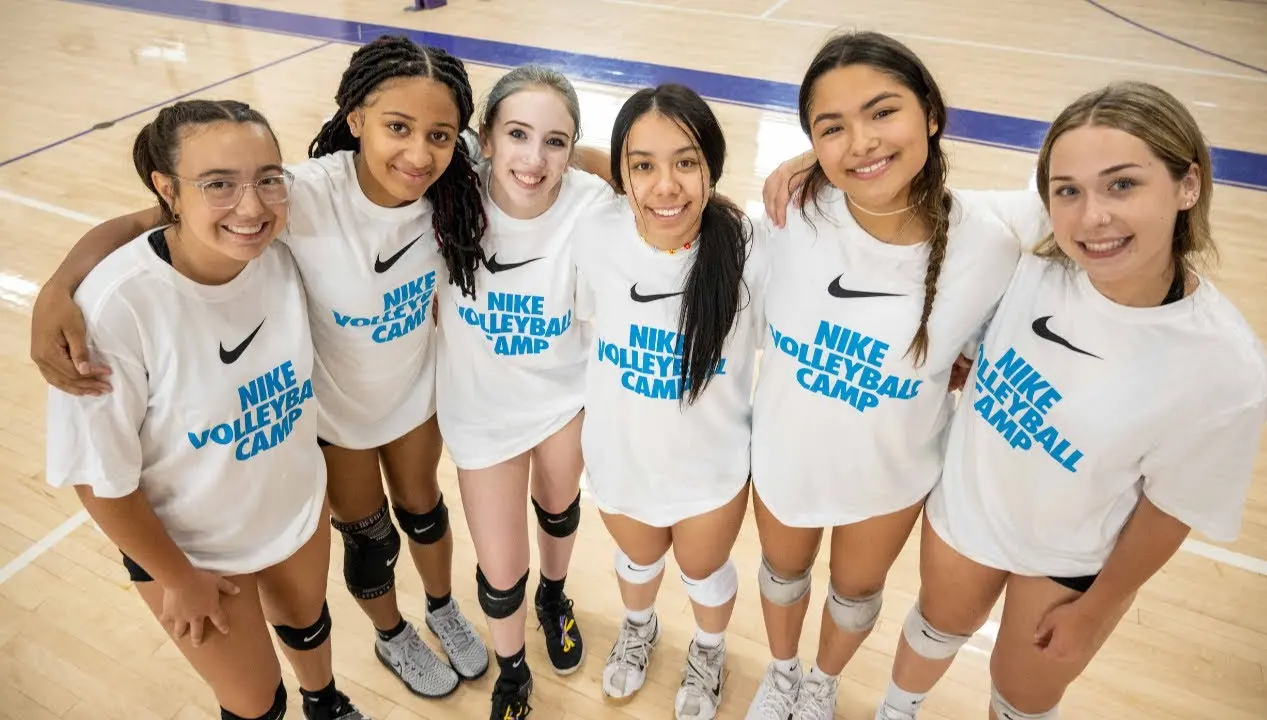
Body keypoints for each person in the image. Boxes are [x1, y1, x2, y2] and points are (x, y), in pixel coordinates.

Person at [30, 35, 491, 699]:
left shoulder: (455, 180)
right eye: (397, 127)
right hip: (336, 415)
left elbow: (558, 159)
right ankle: (392, 633)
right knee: (370, 540)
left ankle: (442, 607)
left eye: (438, 135)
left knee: (424, 511)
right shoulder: (298, 195)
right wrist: (58, 287)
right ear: (356, 119)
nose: (419, 153)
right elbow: (151, 220)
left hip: (415, 395)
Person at [874, 81, 1267, 720]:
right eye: (1068, 190)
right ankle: (897, 709)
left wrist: (1097, 610)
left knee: (1023, 692)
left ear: (1188, 185)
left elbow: (1171, 509)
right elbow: (896, 195)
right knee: (935, 626)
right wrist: (816, 162)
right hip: (970, 507)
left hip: (1072, 554)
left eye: (1123, 185)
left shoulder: (1225, 369)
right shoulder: (1040, 237)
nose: (1092, 218)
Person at [44, 99, 368, 720]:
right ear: (167, 189)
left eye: (268, 178)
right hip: (191, 552)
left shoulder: (281, 247)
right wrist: (177, 578)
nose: (251, 207)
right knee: (255, 701)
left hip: (292, 502)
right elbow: (99, 479)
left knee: (308, 624)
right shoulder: (114, 310)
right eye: (218, 184)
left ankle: (326, 702)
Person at [744, 32, 1020, 720]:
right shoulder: (789, 215)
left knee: (855, 594)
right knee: (782, 576)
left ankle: (823, 682)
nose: (861, 142)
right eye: (831, 127)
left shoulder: (993, 243)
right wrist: (812, 162)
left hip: (890, 472)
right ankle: (782, 671)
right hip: (786, 454)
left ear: (931, 112)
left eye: (882, 112)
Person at [570, 83, 769, 720]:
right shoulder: (594, 231)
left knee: (704, 572)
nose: (665, 186)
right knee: (637, 560)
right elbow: (560, 162)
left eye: (686, 162)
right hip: (619, 456)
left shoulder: (753, 250)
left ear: (713, 164)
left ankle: (709, 649)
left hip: (710, 468)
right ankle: (639, 628)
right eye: (643, 165)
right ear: (622, 173)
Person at [434, 65, 614, 719]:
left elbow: (667, 183)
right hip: (480, 411)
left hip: (562, 396)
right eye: (517, 135)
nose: (534, 160)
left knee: (559, 509)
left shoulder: (593, 204)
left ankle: (555, 596)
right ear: (485, 138)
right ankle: (513, 674)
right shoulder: (447, 193)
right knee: (501, 567)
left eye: (555, 142)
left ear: (572, 150)